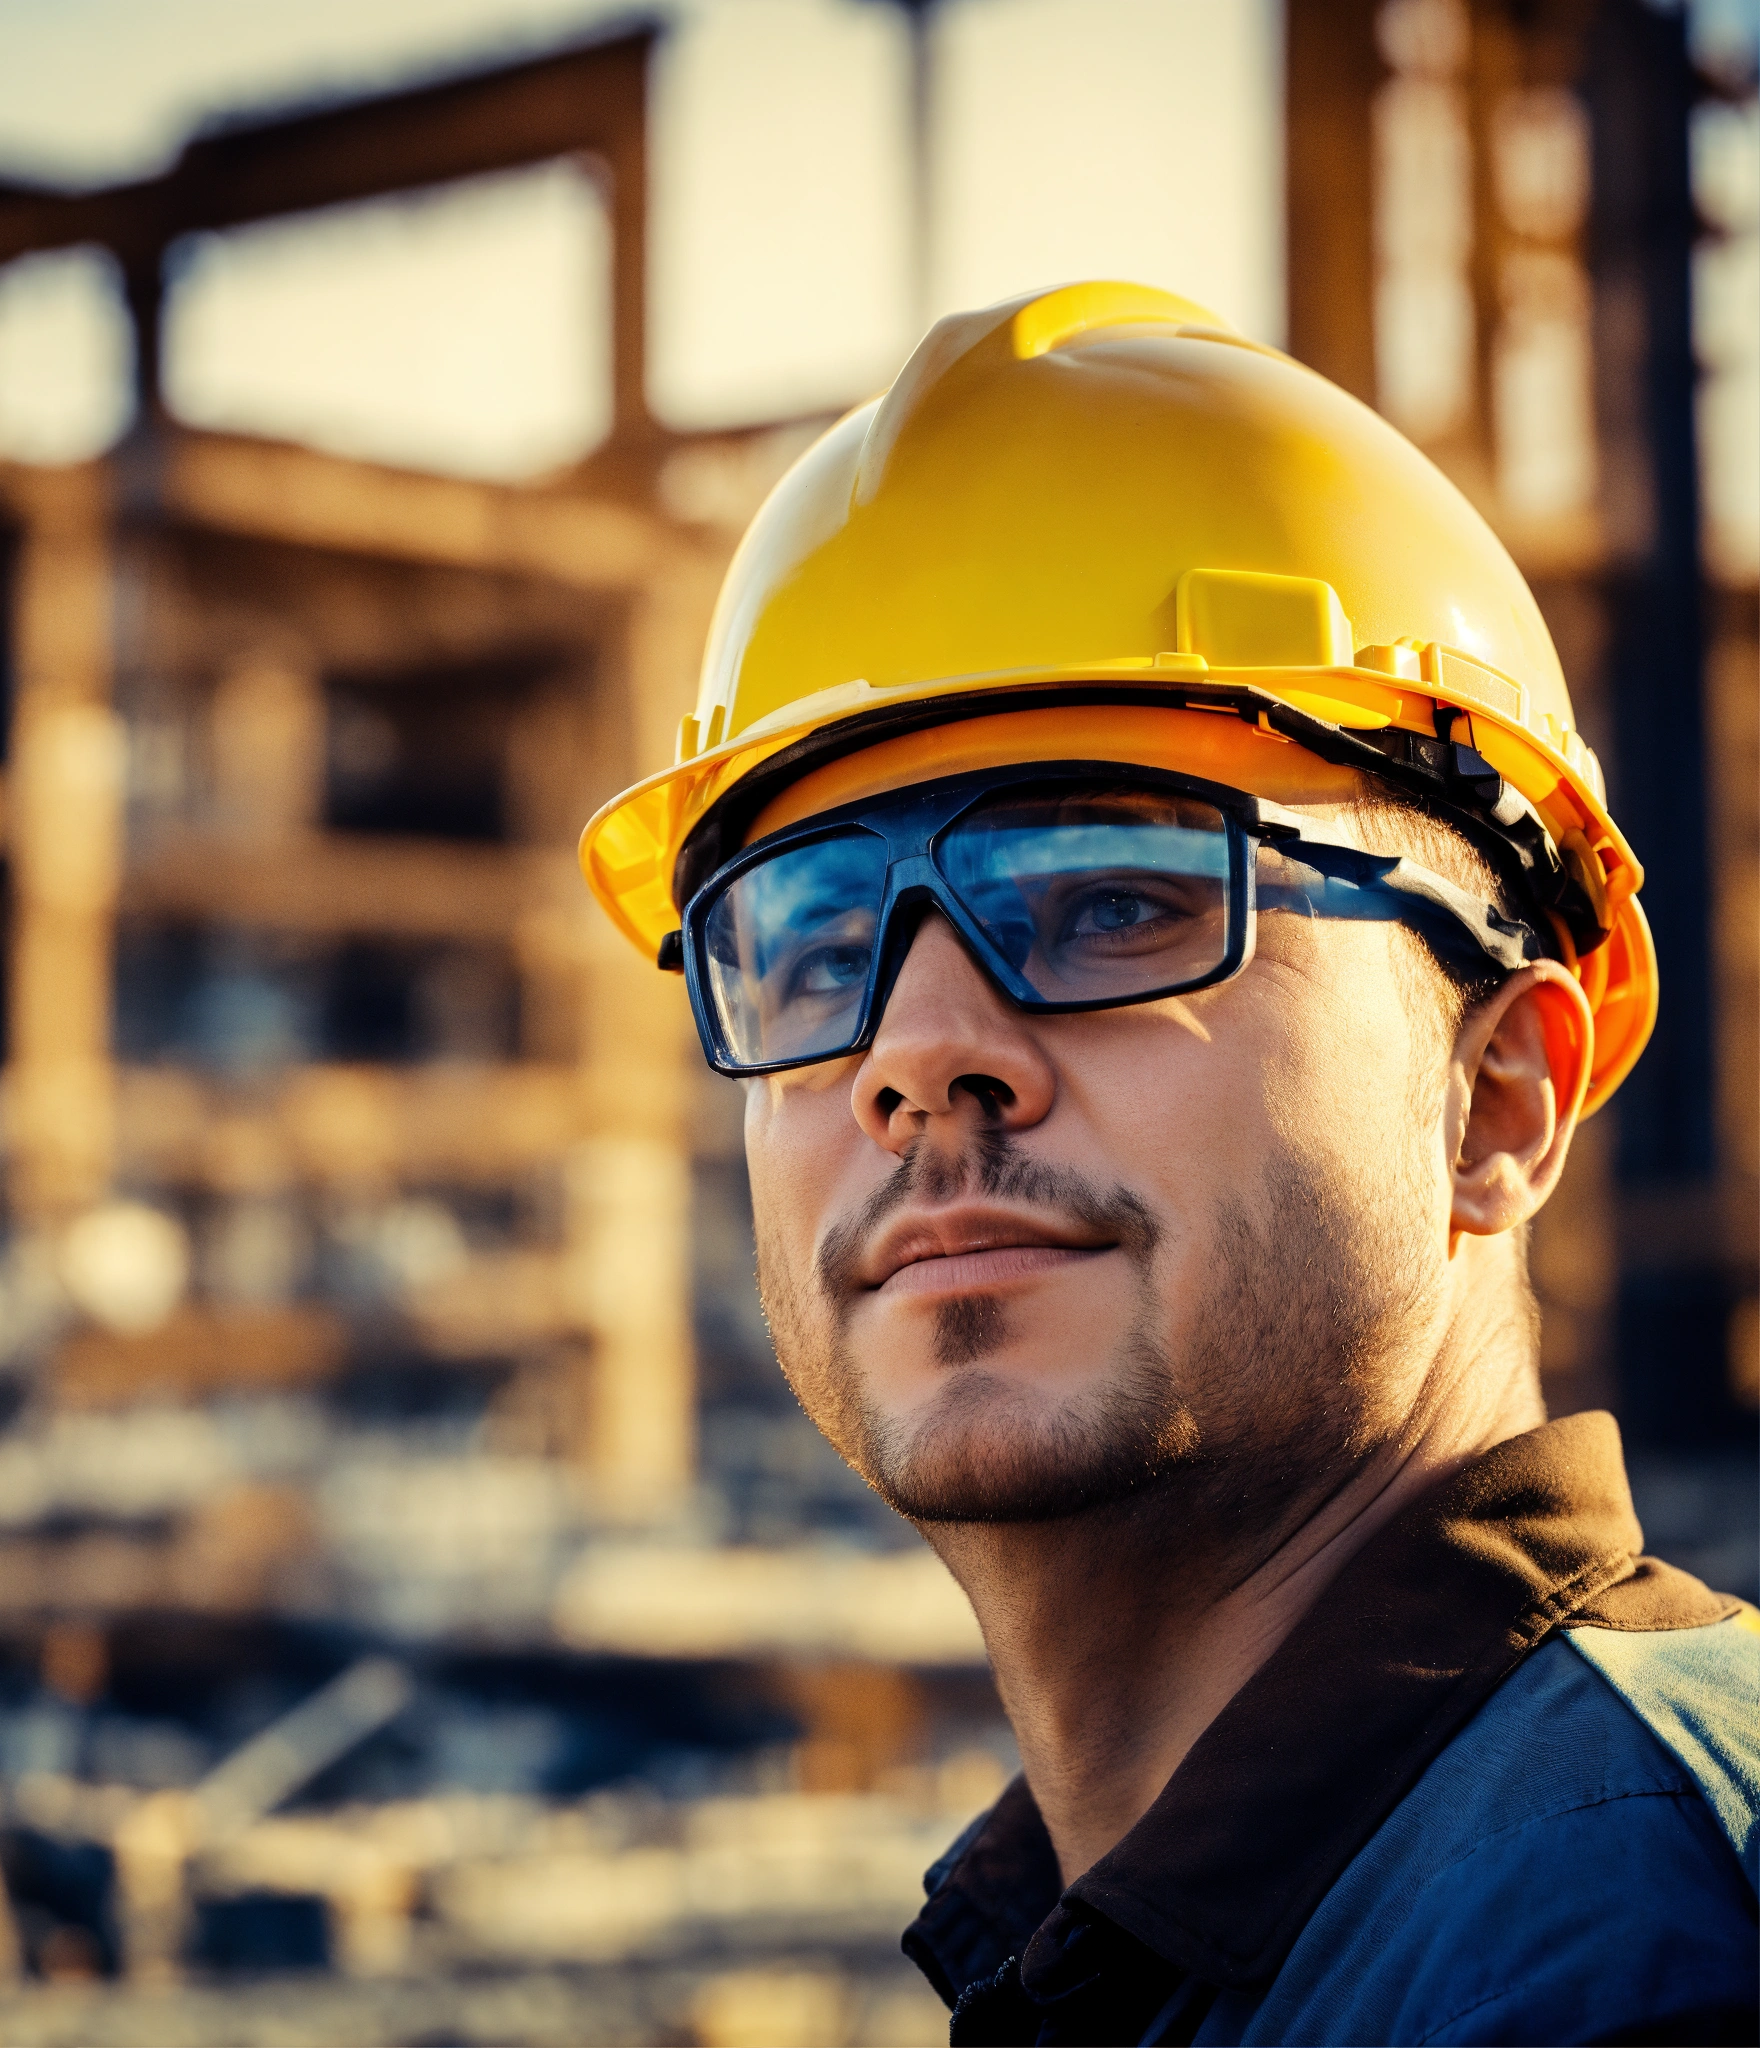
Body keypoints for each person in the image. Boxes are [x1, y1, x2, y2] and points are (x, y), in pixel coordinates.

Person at [580, 283, 1757, 2045]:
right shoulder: (1158, 1929)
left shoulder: (1630, 1950)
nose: (912, 1054)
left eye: (1117, 898)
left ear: (1499, 1094)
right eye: (816, 948)